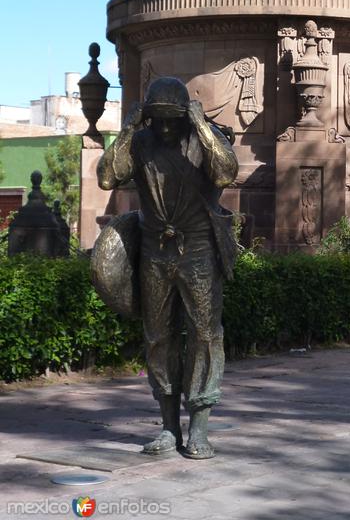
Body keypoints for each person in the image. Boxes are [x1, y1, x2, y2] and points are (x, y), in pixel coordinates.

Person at [97, 77, 239, 458]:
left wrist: (203, 127)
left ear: (185, 116)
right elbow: (107, 176)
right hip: (154, 251)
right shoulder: (141, 143)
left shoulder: (204, 139)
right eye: (156, 119)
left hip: (198, 249)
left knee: (204, 336)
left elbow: (226, 173)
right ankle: (167, 427)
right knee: (158, 337)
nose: (163, 127)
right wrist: (128, 128)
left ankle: (200, 428)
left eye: (171, 120)